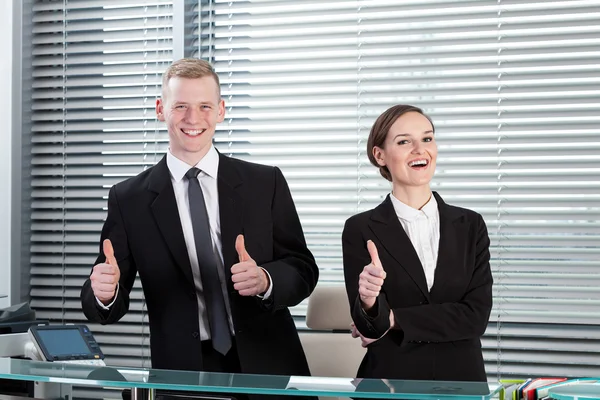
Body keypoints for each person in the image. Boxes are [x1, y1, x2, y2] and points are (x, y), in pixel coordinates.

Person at [80, 58, 319, 399]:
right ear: (161, 109)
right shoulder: (129, 198)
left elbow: (303, 269)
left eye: (204, 106)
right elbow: (103, 291)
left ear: (220, 110)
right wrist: (105, 293)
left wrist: (266, 280)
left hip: (270, 365)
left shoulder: (264, 183)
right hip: (183, 375)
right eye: (181, 106)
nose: (193, 119)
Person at [342, 104, 493, 382]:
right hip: (390, 383)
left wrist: (394, 319)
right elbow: (370, 328)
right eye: (403, 142)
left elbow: (475, 317)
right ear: (380, 155)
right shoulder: (360, 228)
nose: (419, 149)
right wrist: (368, 301)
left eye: (427, 138)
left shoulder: (470, 225)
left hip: (462, 383)